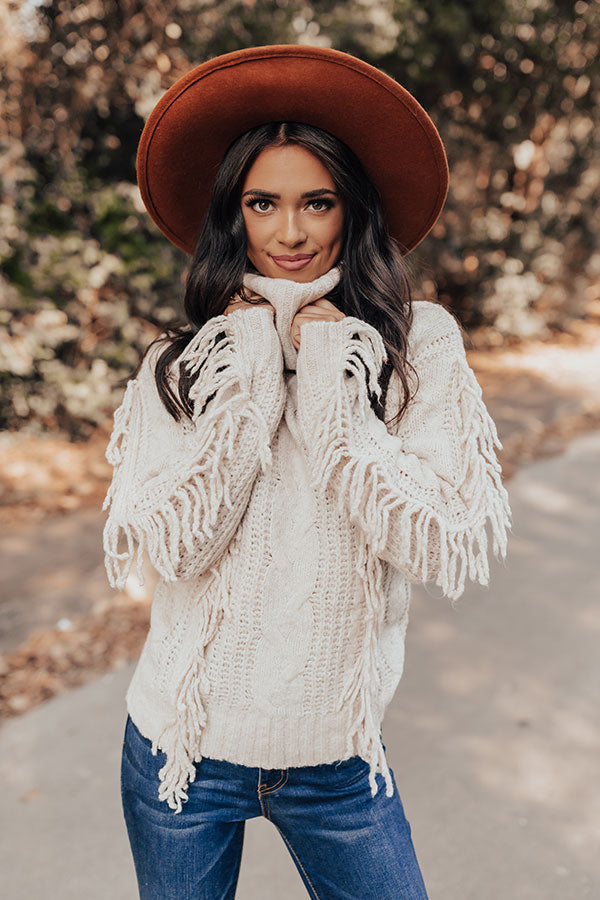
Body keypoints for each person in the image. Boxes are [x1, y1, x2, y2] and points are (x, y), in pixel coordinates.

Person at [104, 44, 513, 899]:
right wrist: (251, 366)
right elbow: (178, 550)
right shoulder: (181, 363)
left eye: (316, 202)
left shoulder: (416, 343)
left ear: (351, 209)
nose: (289, 234)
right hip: (180, 752)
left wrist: (330, 375)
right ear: (235, 215)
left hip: (335, 758)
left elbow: (435, 538)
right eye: (263, 203)